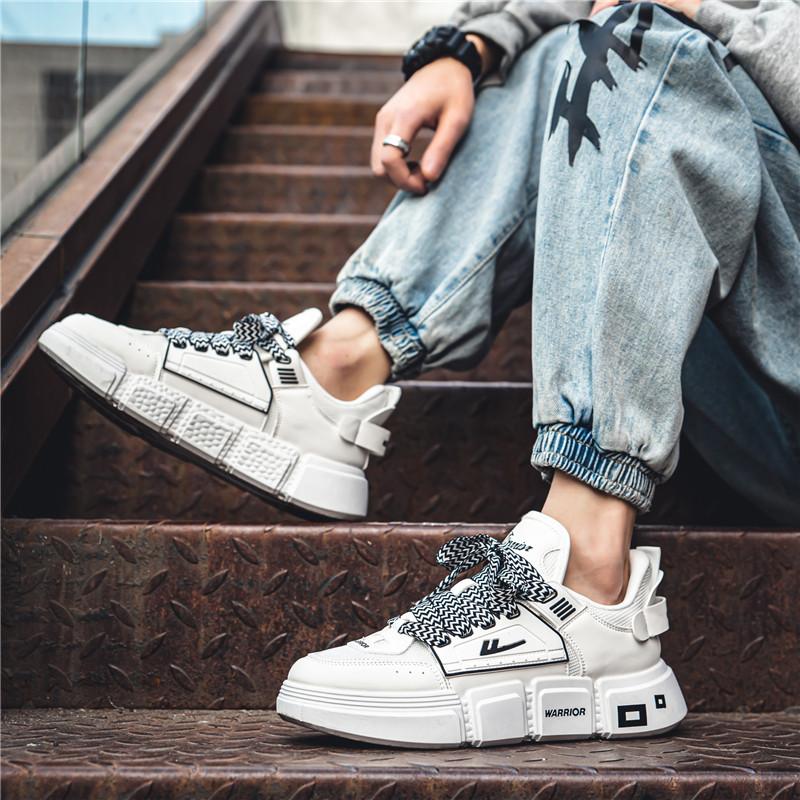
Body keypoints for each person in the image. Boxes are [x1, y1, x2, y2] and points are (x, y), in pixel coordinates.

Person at [39, 0, 799, 748]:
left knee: (642, 39)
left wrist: (698, 14)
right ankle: (337, 369)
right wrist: (467, 49)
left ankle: (588, 570)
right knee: (582, 47)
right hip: (725, 360)